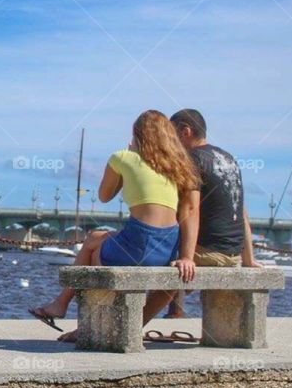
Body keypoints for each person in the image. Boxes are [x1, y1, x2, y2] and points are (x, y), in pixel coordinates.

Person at [28, 110, 200, 341]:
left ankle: (65, 307)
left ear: (138, 135)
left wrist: (128, 159)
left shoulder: (122, 158)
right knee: (99, 242)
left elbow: (104, 196)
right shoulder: (177, 167)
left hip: (139, 241)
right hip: (167, 247)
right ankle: (86, 321)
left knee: (93, 245)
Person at [163, 109, 258, 318]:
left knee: (152, 256)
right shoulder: (228, 159)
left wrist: (186, 257)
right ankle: (144, 321)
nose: (169, 142)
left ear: (185, 131)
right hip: (232, 256)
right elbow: (240, 210)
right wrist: (248, 259)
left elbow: (190, 208)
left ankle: (131, 325)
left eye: (171, 135)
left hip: (208, 253)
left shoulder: (190, 160)